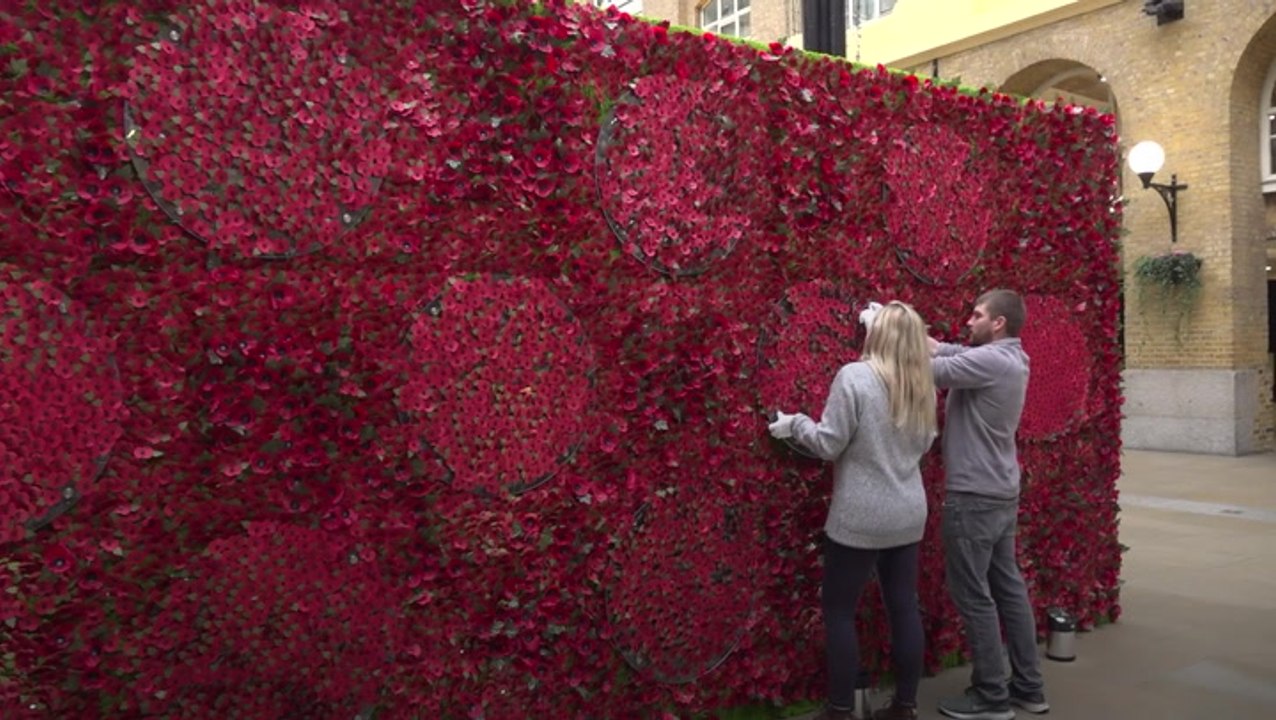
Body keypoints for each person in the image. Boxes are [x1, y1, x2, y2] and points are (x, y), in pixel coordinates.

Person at [768, 301, 937, 720]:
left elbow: (828, 443)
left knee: (839, 610)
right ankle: (905, 706)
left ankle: (840, 709)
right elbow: (926, 444)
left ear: (875, 334)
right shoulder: (922, 383)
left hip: (861, 515)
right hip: (908, 511)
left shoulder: (855, 377)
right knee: (903, 606)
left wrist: (795, 423)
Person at [929, 289, 1049, 720]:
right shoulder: (1011, 358)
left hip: (974, 496)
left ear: (998, 323)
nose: (967, 320)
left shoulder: (991, 362)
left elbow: (930, 370)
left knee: (975, 596)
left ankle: (991, 697)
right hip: (1000, 492)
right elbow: (951, 350)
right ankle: (1028, 688)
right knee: (1009, 589)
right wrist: (924, 337)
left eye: (976, 315)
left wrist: (889, 337)